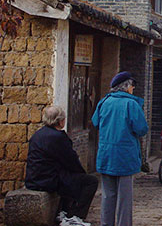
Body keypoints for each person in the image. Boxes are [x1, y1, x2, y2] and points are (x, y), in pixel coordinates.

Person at [25, 106, 98, 226]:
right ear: (60, 121)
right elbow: (71, 161)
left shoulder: (38, 134)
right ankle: (74, 216)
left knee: (68, 177)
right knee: (90, 181)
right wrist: (81, 173)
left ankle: (63, 212)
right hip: (47, 180)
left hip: (34, 178)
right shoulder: (58, 137)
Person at [92, 71, 148, 226]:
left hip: (106, 154)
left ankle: (106, 223)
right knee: (124, 197)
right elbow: (141, 129)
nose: (133, 90)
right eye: (132, 87)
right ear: (126, 86)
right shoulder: (131, 104)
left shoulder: (104, 102)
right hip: (125, 156)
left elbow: (95, 122)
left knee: (107, 195)